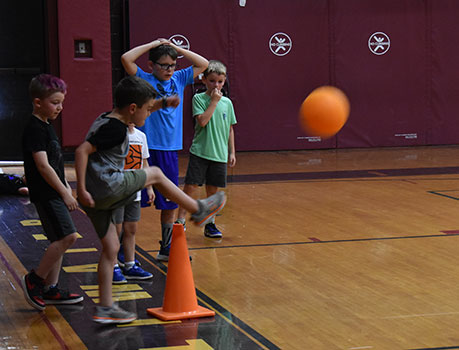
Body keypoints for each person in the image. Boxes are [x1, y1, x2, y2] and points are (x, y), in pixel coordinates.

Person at [75, 76, 226, 324]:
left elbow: (140, 107)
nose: (149, 113)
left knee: (111, 249)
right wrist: (79, 188)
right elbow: (81, 151)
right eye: (147, 109)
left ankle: (105, 307)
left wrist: (164, 103)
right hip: (107, 185)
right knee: (155, 173)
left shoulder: (107, 118)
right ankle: (198, 209)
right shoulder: (116, 129)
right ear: (133, 109)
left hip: (95, 197)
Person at [121, 38, 209, 261]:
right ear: (152, 65)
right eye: (164, 65)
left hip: (169, 148)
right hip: (144, 147)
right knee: (133, 201)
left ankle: (166, 247)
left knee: (169, 200)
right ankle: (123, 250)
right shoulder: (144, 78)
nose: (169, 70)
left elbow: (204, 63)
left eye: (172, 65)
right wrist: (152, 45)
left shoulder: (179, 78)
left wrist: (176, 49)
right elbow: (126, 58)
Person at [21, 74, 83, 311]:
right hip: (46, 193)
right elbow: (43, 166)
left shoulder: (46, 125)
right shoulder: (35, 128)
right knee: (67, 237)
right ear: (38, 102)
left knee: (59, 239)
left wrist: (66, 185)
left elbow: (55, 164)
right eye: (55, 102)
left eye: (61, 102)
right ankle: (35, 280)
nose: (60, 107)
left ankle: (51, 288)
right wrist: (64, 192)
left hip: (54, 191)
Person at [176, 60, 237, 238]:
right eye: (212, 81)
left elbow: (230, 128)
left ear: (224, 81)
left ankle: (210, 225)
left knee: (213, 191)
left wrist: (231, 152)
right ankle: (180, 221)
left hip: (218, 154)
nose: (216, 85)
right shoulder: (199, 99)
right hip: (200, 151)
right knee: (191, 187)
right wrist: (214, 102)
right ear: (204, 80)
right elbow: (202, 121)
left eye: (219, 81)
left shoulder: (227, 103)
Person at [112, 122, 154, 284]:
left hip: (134, 192)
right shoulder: (115, 135)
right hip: (117, 191)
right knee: (116, 230)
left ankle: (130, 265)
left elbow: (144, 164)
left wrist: (149, 188)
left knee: (131, 229)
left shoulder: (141, 136)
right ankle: (113, 265)